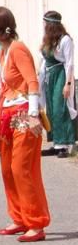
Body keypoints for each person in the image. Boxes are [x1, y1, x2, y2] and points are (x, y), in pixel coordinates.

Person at [0, 7, 50, 242]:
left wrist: (33, 115)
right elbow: (4, 89)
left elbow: (32, 82)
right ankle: (19, 217)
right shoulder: (3, 52)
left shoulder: (18, 49)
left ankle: (36, 222)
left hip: (23, 114)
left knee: (22, 169)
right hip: (7, 113)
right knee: (8, 170)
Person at [38, 11, 76, 158]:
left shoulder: (65, 40)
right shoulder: (47, 40)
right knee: (51, 109)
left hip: (60, 75)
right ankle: (56, 143)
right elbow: (43, 61)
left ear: (51, 25)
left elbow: (69, 63)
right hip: (49, 75)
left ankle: (64, 145)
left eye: (45, 23)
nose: (43, 26)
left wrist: (68, 84)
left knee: (60, 108)